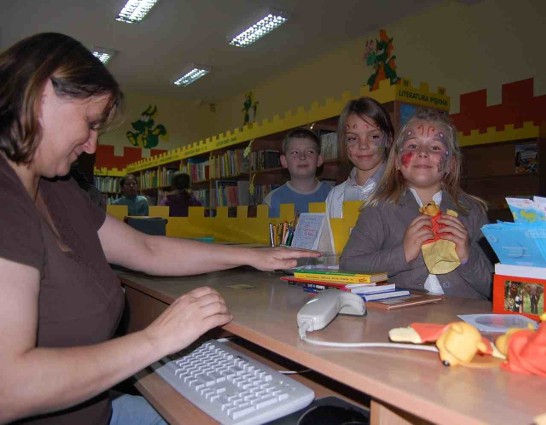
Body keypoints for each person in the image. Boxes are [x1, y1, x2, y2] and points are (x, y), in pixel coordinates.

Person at [0, 32, 320, 425]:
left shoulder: (57, 188)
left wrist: (252, 256)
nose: (91, 145)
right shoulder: (6, 198)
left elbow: (146, 250)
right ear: (42, 93)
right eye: (90, 122)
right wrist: (158, 339)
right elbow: (8, 390)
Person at [339, 109, 493, 299]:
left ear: (451, 164)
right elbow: (348, 266)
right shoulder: (379, 209)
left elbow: (493, 287)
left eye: (435, 147)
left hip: (464, 320)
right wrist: (403, 253)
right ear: (396, 161)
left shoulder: (472, 211)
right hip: (405, 318)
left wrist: (468, 256)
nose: (422, 153)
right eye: (412, 146)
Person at [325, 97, 394, 218]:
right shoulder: (335, 196)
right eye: (352, 138)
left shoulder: (401, 191)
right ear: (343, 143)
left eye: (374, 136)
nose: (363, 146)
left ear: (388, 139)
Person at [263, 128, 333, 217]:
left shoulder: (333, 195)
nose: (302, 157)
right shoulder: (271, 201)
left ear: (319, 159)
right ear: (284, 161)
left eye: (310, 152)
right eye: (295, 152)